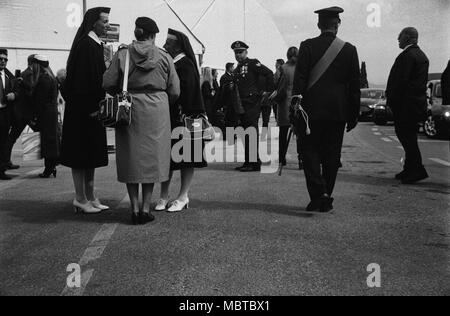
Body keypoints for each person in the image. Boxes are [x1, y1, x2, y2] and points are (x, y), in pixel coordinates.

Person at [103, 17, 180, 225]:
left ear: (136, 33)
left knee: (131, 159)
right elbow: (174, 90)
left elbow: (108, 83)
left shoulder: (123, 53)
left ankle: (134, 209)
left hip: (130, 110)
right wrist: (161, 99)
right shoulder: (164, 57)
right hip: (157, 110)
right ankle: (146, 208)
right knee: (151, 160)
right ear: (153, 35)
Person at [292, 7, 361, 213]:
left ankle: (318, 195)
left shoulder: (307, 46)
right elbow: (354, 87)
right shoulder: (349, 49)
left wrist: (295, 108)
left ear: (319, 25)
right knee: (332, 155)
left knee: (310, 151)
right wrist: (353, 115)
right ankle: (326, 194)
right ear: (337, 24)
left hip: (310, 111)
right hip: (338, 112)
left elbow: (300, 81)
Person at [59, 7, 111, 214]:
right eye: (105, 22)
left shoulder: (93, 45)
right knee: (81, 155)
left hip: (90, 110)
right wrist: (92, 108)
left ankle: (90, 196)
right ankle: (80, 198)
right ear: (93, 23)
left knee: (90, 155)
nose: (108, 25)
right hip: (84, 111)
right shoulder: (87, 45)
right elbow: (83, 83)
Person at [157, 28, 207, 213]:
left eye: (168, 43)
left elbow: (186, 95)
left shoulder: (185, 65)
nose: (164, 45)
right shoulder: (173, 62)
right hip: (171, 118)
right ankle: (164, 195)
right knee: (167, 159)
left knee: (187, 158)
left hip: (186, 118)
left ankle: (183, 196)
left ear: (178, 46)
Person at [386, 27, 429, 184]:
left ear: (409, 37)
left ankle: (416, 170)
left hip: (406, 106)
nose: (398, 38)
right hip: (414, 105)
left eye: (400, 35)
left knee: (407, 138)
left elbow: (400, 82)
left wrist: (391, 101)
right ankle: (410, 168)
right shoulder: (420, 55)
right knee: (409, 137)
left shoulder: (408, 56)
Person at [231, 41, 274, 172]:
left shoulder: (253, 63)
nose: (238, 55)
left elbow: (269, 73)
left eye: (240, 52)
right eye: (236, 52)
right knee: (246, 133)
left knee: (250, 132)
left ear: (246, 52)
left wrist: (267, 91)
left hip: (252, 103)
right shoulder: (238, 69)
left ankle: (253, 163)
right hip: (242, 104)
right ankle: (249, 161)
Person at [29, 55, 60, 178]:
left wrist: (34, 116)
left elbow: (39, 101)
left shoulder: (43, 79)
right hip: (51, 112)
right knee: (51, 141)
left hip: (45, 114)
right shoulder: (51, 77)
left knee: (47, 142)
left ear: (38, 65)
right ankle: (51, 167)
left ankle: (49, 168)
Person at [5, 54, 37, 171]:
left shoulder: (25, 73)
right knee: (12, 137)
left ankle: (6, 160)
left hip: (21, 111)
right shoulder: (29, 74)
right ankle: (5, 161)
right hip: (24, 112)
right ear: (33, 63)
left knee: (12, 137)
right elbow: (30, 92)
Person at [270, 47, 299, 167]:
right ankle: (301, 159)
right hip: (297, 102)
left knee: (283, 132)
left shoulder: (283, 68)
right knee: (299, 133)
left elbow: (276, 83)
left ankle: (282, 158)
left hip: (284, 103)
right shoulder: (301, 67)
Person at [0, 48, 19, 181]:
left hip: (4, 113)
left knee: (3, 142)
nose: (3, 61)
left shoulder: (8, 75)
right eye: (0, 59)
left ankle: (1, 170)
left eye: (5, 59)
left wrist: (14, 95)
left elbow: (17, 91)